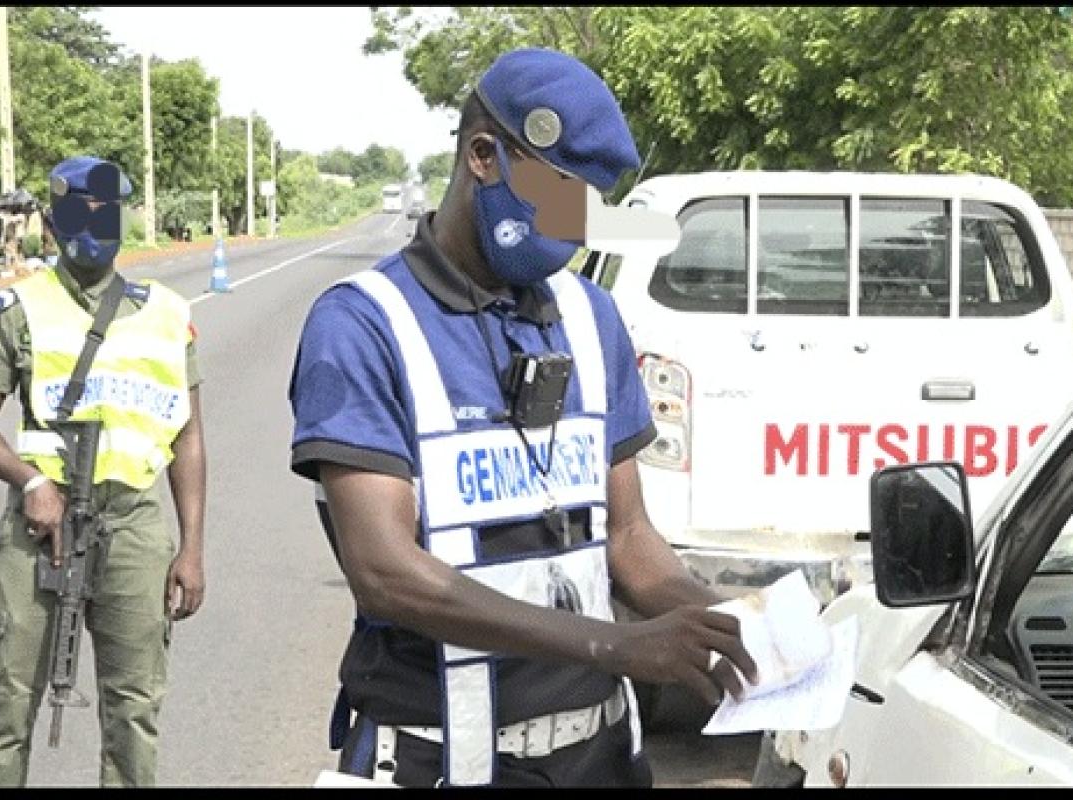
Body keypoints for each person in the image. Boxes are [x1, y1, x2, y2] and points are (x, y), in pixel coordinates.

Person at [289, 48, 758, 788]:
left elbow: (628, 536)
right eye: (561, 196)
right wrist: (613, 645)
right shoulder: (362, 325)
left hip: (600, 757)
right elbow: (384, 572)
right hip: (439, 759)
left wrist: (730, 624)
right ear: (483, 157)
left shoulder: (591, 315)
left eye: (590, 206)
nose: (575, 226)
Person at [0, 156, 206, 787]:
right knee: (9, 704)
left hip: (134, 524)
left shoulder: (168, 313)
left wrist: (192, 548)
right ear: (52, 226)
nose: (92, 226)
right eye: (78, 213)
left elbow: (189, 436)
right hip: (41, 528)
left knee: (134, 710)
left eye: (105, 212)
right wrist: (32, 483)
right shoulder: (19, 309)